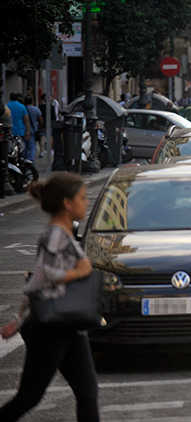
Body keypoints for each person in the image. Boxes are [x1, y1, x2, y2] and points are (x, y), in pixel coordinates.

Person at [0, 173, 99, 422]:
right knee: (29, 396)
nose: (86, 203)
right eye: (82, 198)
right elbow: (47, 276)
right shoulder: (55, 234)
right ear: (67, 203)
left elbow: (35, 281)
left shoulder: (63, 233)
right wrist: (81, 270)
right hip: (52, 327)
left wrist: (19, 318)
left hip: (67, 321)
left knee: (87, 392)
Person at [25, 96, 42, 161]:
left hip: (23, 130)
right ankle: (30, 160)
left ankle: (25, 158)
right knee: (32, 147)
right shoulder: (36, 109)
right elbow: (41, 120)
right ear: (32, 101)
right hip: (32, 130)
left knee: (25, 147)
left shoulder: (23, 108)